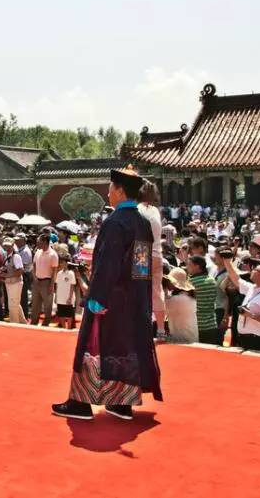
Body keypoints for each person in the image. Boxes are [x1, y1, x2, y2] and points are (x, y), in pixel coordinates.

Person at [52, 166, 162, 421]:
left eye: (111, 187)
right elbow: (141, 266)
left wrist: (97, 297)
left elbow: (106, 264)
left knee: (93, 344)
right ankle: (121, 402)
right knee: (126, 346)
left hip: (109, 298)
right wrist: (138, 296)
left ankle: (80, 401)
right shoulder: (142, 222)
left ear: (121, 191)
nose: (108, 191)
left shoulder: (114, 222)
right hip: (133, 298)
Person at [220, 255, 260, 351]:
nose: (252, 270)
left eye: (256, 270)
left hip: (256, 340)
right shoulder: (252, 288)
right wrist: (227, 262)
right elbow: (236, 278)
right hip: (243, 337)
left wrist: (251, 315)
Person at [138, 181, 167, 338]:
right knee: (157, 291)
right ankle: (161, 329)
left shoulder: (137, 209)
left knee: (140, 291)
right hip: (157, 253)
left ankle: (143, 327)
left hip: (141, 252)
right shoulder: (155, 210)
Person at [186, 255, 220, 345]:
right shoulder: (212, 280)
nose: (187, 267)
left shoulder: (190, 282)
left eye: (189, 265)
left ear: (197, 266)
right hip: (212, 325)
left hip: (196, 326)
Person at [163, 268, 198, 342]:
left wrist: (164, 290)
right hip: (190, 338)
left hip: (183, 340)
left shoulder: (178, 299)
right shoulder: (188, 297)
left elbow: (160, 309)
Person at [31, 234, 59, 326]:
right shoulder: (37, 252)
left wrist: (52, 285)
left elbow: (54, 270)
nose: (37, 243)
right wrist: (34, 277)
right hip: (37, 281)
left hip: (47, 282)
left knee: (47, 304)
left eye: (39, 242)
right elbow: (34, 265)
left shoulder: (53, 254)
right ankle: (34, 322)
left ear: (45, 242)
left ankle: (46, 322)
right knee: (35, 303)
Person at [0, 237, 26, 324]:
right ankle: (23, 322)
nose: (6, 247)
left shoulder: (16, 256)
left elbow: (20, 271)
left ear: (12, 246)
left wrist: (7, 275)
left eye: (8, 246)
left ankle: (14, 323)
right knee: (15, 303)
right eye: (5, 246)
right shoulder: (7, 256)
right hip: (10, 283)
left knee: (12, 305)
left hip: (15, 283)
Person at [54, 256, 78, 329]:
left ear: (67, 263)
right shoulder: (59, 273)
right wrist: (56, 296)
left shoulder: (71, 273)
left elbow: (72, 286)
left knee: (69, 314)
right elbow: (57, 285)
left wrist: (70, 297)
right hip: (60, 297)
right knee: (61, 314)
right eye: (61, 262)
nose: (62, 264)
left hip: (68, 297)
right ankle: (64, 328)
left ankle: (69, 328)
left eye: (63, 262)